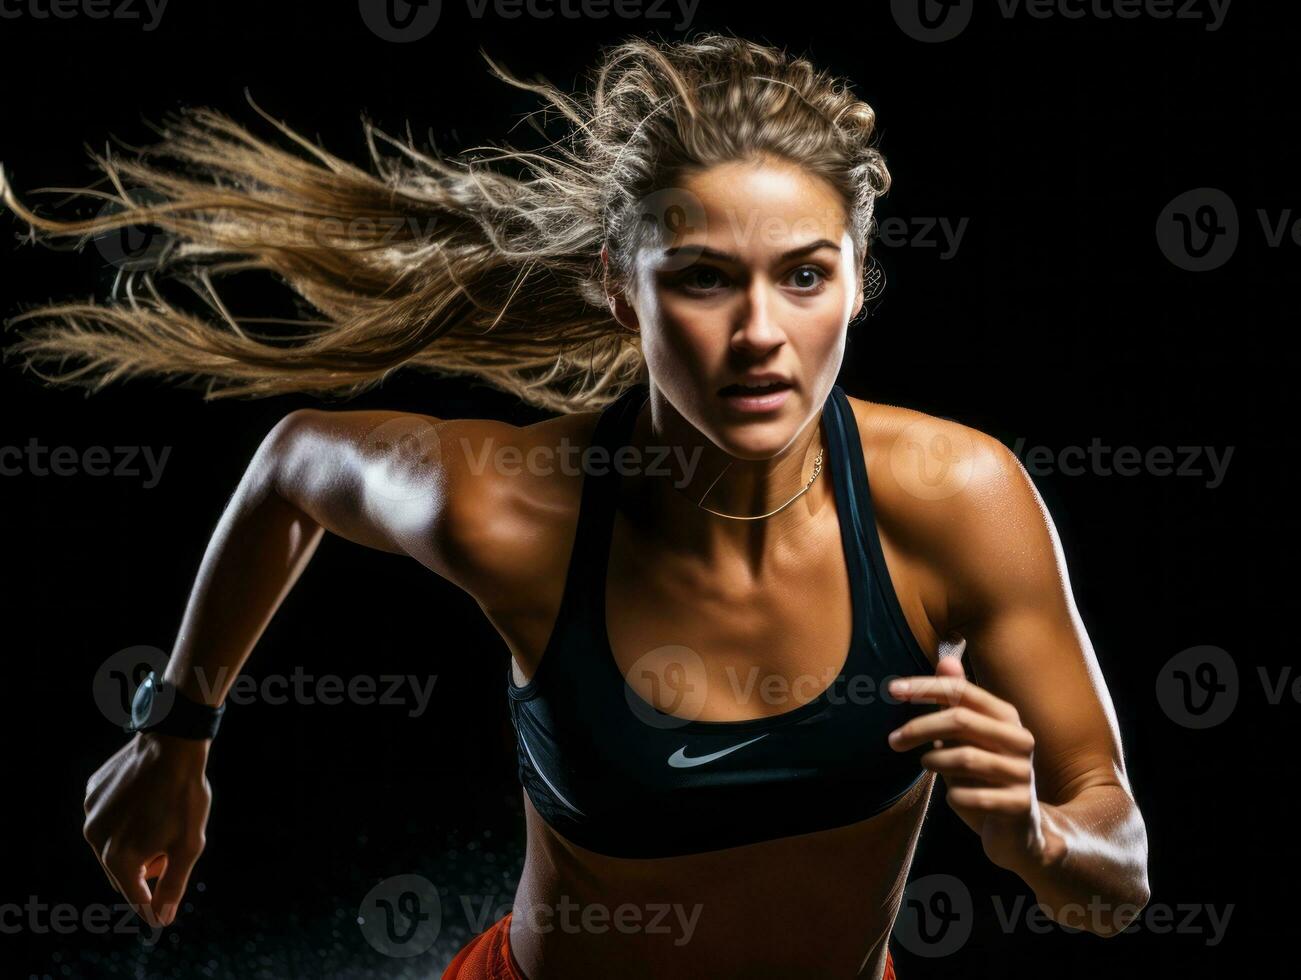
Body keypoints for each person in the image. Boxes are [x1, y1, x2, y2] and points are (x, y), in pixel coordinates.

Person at [2, 33, 1150, 979]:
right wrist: (175, 731)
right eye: (701, 276)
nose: (759, 333)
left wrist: (1037, 838)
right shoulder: (512, 509)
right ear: (618, 286)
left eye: (803, 274)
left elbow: (1116, 877)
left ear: (857, 277)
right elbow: (293, 464)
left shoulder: (954, 499)